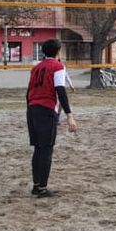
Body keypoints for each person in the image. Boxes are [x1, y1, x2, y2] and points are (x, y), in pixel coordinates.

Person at [26, 38, 77, 198]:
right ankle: (42, 188)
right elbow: (60, 91)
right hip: (46, 110)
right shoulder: (57, 66)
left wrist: (30, 109)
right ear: (58, 52)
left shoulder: (36, 68)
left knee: (38, 149)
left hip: (32, 109)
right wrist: (70, 115)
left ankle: (36, 185)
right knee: (46, 149)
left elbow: (28, 92)